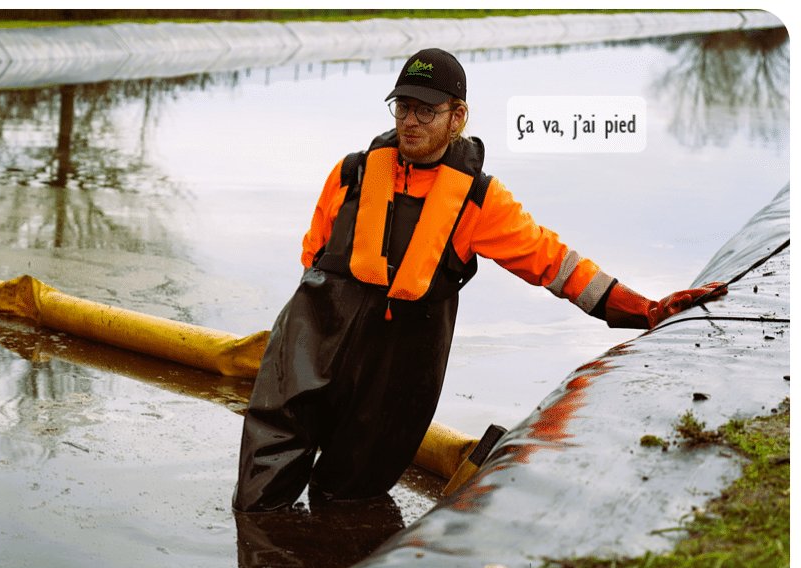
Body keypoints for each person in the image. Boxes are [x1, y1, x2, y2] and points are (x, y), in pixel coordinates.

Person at [232, 48, 726, 513]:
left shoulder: (480, 201)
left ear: (457, 117)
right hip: (315, 335)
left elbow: (554, 264)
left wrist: (645, 310)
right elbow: (312, 255)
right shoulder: (351, 174)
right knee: (262, 484)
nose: (410, 121)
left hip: (401, 360)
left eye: (426, 110)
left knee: (351, 495)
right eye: (402, 106)